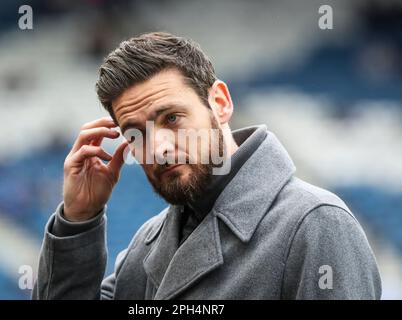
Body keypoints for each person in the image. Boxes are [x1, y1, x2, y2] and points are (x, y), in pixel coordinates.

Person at [32, 32, 381, 299]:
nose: (160, 148)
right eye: (136, 133)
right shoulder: (145, 248)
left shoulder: (315, 223)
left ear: (220, 103)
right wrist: (79, 218)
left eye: (171, 118)